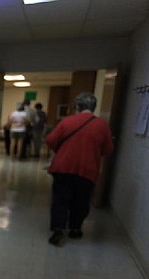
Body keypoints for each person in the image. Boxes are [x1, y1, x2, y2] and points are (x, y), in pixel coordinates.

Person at [45, 92, 113, 246]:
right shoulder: (102, 126)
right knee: (81, 200)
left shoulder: (66, 121)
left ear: (77, 106)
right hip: (88, 170)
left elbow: (50, 140)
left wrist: (61, 150)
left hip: (63, 167)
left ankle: (58, 229)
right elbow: (108, 149)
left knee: (60, 199)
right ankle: (75, 228)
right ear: (93, 107)